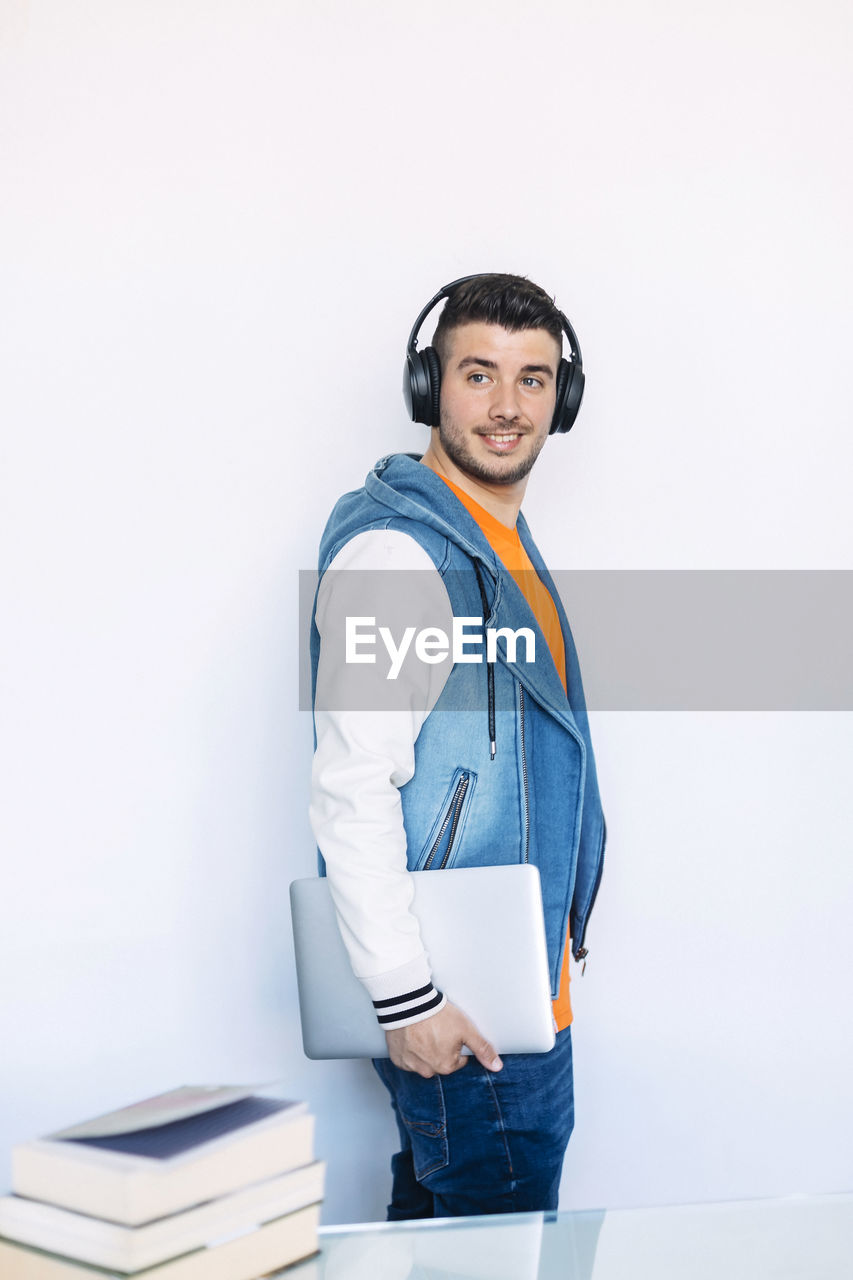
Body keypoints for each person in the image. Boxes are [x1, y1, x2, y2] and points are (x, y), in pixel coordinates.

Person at [309, 273, 605, 1218]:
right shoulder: (402, 557)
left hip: (506, 993)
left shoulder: (496, 539)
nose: (507, 406)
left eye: (533, 377)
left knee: (438, 1241)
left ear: (563, 397)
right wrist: (407, 999)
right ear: (427, 386)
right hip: (465, 1018)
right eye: (478, 374)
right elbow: (350, 786)